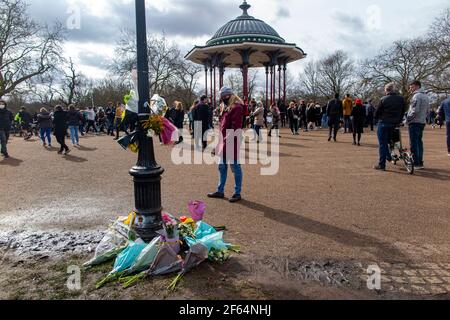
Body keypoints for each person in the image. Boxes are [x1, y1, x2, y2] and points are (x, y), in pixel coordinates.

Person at [208, 87, 244, 203]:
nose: (223, 98)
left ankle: (237, 192)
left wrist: (225, 142)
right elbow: (222, 127)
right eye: (222, 97)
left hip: (232, 140)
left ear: (229, 95)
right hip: (224, 139)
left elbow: (235, 128)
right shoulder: (226, 107)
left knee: (235, 167)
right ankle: (220, 190)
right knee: (222, 167)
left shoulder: (237, 107)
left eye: (224, 96)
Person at [373, 83, 407, 171]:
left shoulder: (383, 99)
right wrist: (398, 121)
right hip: (395, 124)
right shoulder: (401, 99)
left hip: (384, 123)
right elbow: (403, 111)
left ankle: (382, 165)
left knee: (382, 144)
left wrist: (378, 118)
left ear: (386, 90)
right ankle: (389, 156)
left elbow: (376, 113)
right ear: (394, 89)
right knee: (391, 142)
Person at [406, 80, 430, 170]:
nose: (410, 89)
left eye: (411, 87)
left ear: (417, 86)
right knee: (419, 142)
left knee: (414, 143)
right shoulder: (426, 96)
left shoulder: (416, 96)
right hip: (422, 122)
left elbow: (414, 110)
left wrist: (407, 120)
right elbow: (428, 110)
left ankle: (416, 163)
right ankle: (419, 161)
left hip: (415, 122)